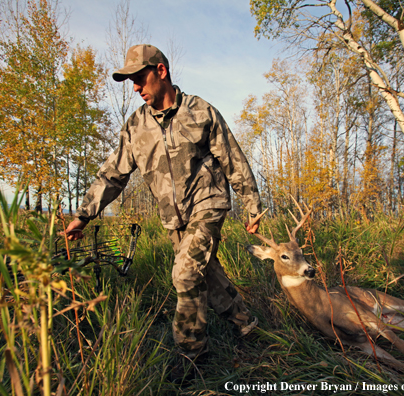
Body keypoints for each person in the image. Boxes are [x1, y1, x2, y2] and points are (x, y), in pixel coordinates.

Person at [64, 44, 263, 371]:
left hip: (207, 203)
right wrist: (83, 215)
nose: (136, 88)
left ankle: (191, 357)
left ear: (161, 71)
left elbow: (232, 157)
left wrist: (252, 204)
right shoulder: (135, 127)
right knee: (204, 274)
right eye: (131, 82)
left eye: (139, 78)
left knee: (185, 273)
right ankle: (245, 323)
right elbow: (112, 175)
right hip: (173, 218)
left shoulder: (200, 112)